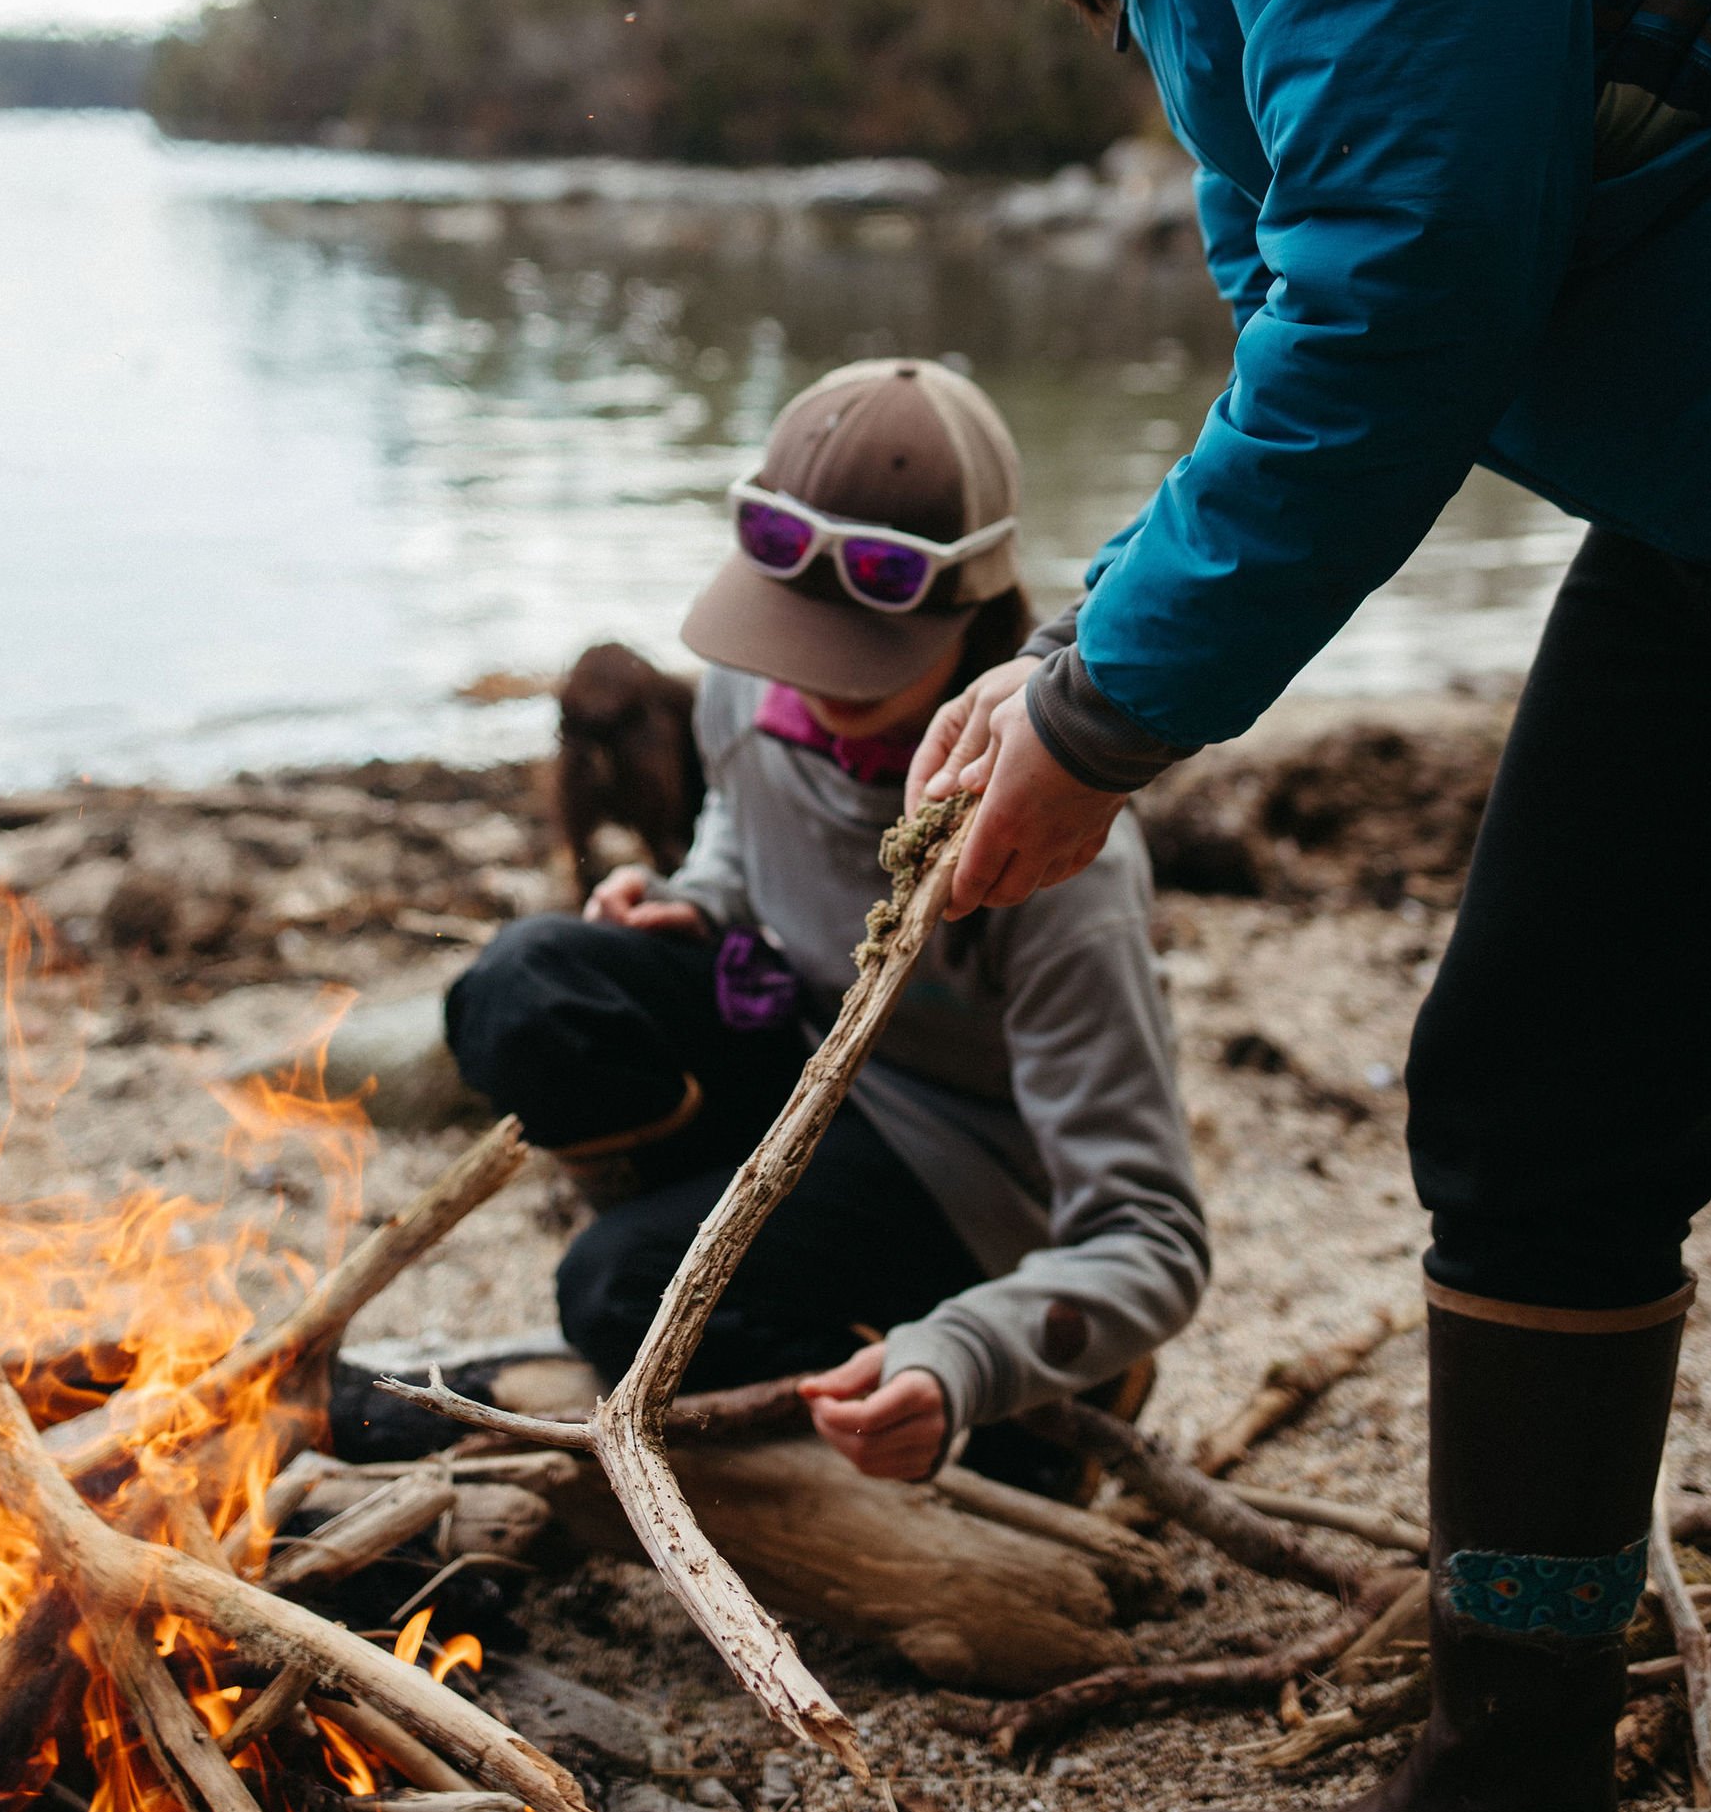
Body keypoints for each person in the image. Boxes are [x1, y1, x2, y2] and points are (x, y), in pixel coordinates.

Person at [593, 0, 1711, 1812]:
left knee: (1554, 1076)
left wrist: (1105, 710)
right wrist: (1093, 657)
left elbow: (1404, 280)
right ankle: (1513, 1796)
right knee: (1543, 1090)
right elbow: (1347, 257)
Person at [445, 355, 1206, 1491]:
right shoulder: (744, 690)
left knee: (612, 1289)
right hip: (797, 1045)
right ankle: (707, 1228)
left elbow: (1152, 1236)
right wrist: (697, 901)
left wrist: (964, 1359)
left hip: (958, 1168)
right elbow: (744, 841)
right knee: (522, 990)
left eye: (858, 657)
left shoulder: (1061, 865)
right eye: (795, 641)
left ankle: (1037, 1417)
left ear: (975, 606)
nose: (809, 681)